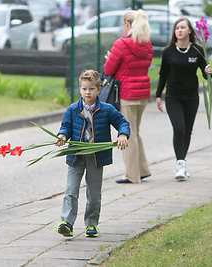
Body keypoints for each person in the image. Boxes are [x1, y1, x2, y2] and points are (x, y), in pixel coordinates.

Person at [54, 69, 130, 237]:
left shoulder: (107, 109)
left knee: (94, 194)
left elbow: (122, 122)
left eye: (91, 89)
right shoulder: (72, 110)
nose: (87, 92)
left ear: (98, 90)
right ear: (80, 90)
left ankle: (91, 224)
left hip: (97, 157)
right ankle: (66, 222)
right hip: (76, 156)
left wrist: (123, 135)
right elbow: (65, 127)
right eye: (84, 89)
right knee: (71, 191)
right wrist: (62, 136)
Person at [155, 17, 212, 180]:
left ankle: (182, 161)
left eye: (182, 28)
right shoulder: (168, 52)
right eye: (176, 28)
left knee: (187, 131)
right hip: (173, 96)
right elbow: (163, 75)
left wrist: (208, 72)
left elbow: (206, 75)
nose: (179, 30)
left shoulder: (197, 50)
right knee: (179, 128)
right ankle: (180, 163)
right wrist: (158, 95)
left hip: (191, 97)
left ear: (189, 31)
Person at [103, 10, 153, 184]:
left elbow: (109, 70)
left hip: (126, 94)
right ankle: (142, 170)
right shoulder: (146, 43)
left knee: (127, 134)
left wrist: (110, 58)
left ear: (126, 23)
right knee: (135, 132)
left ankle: (132, 175)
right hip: (143, 93)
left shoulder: (121, 43)